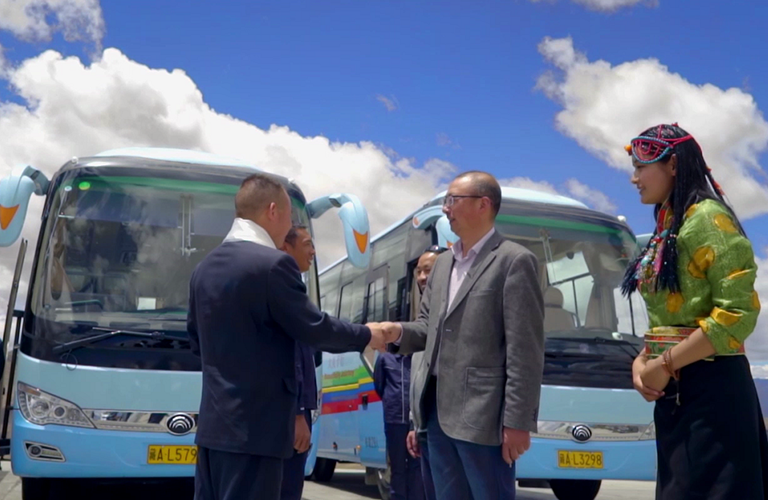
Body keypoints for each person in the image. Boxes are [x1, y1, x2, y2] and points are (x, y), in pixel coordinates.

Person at [187, 173, 387, 500]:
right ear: (272, 211)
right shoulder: (272, 264)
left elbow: (196, 341)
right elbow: (314, 328)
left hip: (213, 432)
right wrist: (367, 334)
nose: (290, 226)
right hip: (257, 433)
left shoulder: (203, 268)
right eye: (289, 217)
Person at [372, 171, 545, 500]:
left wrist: (518, 421)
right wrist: (396, 332)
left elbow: (525, 351)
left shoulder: (513, 261)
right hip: (435, 414)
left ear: (483, 204)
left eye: (453, 200)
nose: (446, 209)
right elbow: (427, 328)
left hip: (483, 418)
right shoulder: (441, 265)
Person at [623, 123, 767, 500]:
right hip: (676, 392)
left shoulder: (707, 219)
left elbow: (737, 313)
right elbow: (671, 317)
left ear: (672, 165)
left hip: (712, 390)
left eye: (640, 167)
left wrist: (664, 363)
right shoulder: (668, 225)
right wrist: (643, 361)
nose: (633, 178)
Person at [279, 224, 318, 500]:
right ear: (286, 247)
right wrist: (298, 413)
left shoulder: (296, 288)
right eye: (307, 244)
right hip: (291, 414)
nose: (313, 251)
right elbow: (291, 358)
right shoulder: (284, 290)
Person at [406, 247, 445, 500]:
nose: (422, 277)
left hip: (446, 425)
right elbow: (418, 374)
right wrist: (415, 424)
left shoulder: (449, 312)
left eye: (428, 270)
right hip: (425, 425)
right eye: (418, 271)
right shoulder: (421, 317)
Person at [374, 351, 423, 500]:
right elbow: (379, 385)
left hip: (415, 421)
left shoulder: (416, 357)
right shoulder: (384, 358)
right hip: (394, 419)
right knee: (397, 467)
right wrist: (391, 401)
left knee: (416, 466)